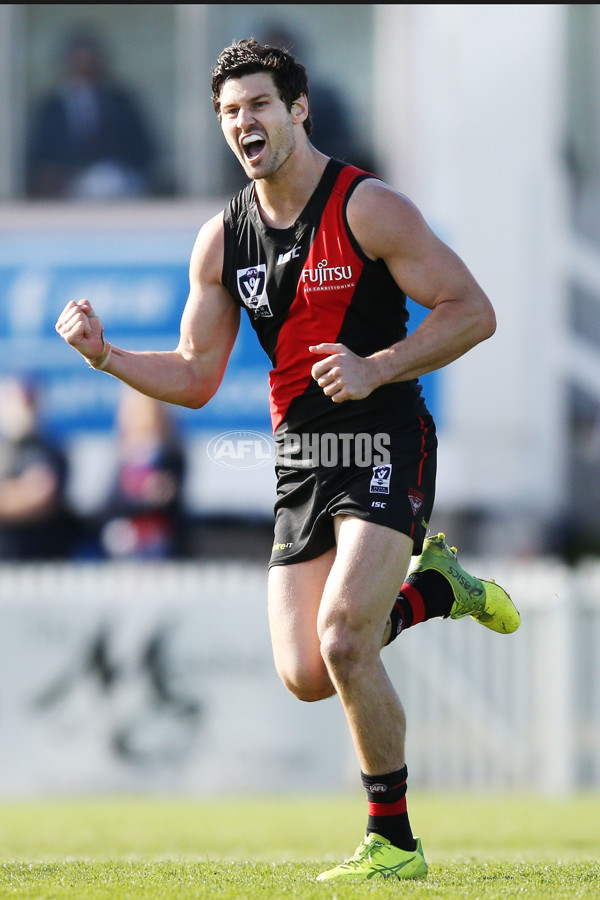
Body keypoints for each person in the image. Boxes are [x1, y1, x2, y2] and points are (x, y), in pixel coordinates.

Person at [55, 38, 520, 882]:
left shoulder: (368, 207)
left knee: (345, 638)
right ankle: (437, 590)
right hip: (302, 456)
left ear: (298, 109)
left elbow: (472, 311)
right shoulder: (220, 239)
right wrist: (105, 355)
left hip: (384, 436)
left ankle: (394, 842)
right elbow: (196, 376)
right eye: (231, 112)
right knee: (308, 671)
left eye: (260, 105)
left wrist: (377, 365)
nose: (245, 123)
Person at [27, 28, 156, 200]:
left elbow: (143, 149)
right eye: (79, 60)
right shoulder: (52, 107)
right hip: (65, 190)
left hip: (118, 185)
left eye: (90, 61)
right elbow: (40, 153)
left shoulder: (120, 102)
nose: (85, 66)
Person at [97, 386, 187, 560]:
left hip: (159, 547)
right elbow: (108, 505)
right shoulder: (123, 456)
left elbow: (169, 501)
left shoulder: (170, 455)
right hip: (125, 547)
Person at [0, 375, 73, 560]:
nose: (24, 408)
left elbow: (42, 499)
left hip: (43, 557)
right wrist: (23, 491)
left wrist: (9, 494)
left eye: (29, 402)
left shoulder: (51, 449)